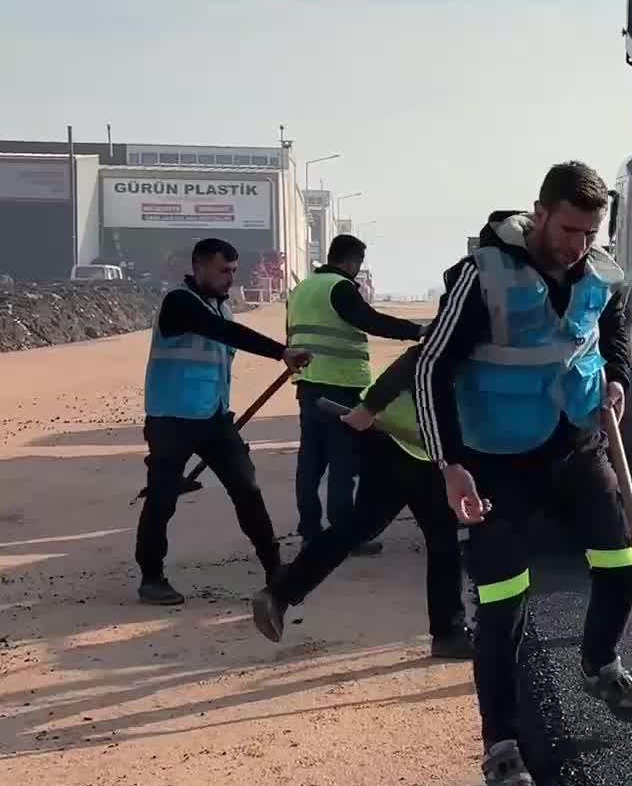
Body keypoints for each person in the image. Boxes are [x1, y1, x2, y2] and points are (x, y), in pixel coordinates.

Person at [415, 161, 632, 786]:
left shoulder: (601, 274)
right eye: (570, 229)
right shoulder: (481, 277)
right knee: (503, 601)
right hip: (495, 459)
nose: (579, 244)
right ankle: (502, 744)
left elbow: (610, 336)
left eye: (589, 232)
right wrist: (450, 463)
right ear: (540, 213)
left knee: (622, 561)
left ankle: (599, 664)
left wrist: (620, 379)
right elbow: (431, 369)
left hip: (574, 445)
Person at [250, 343, 473, 658]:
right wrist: (368, 409)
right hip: (410, 445)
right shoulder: (466, 333)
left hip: (394, 438)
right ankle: (449, 633)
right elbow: (412, 362)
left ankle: (279, 594)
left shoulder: (469, 330)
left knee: (358, 525)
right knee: (442, 538)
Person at [135, 238, 312, 606]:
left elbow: (222, 337)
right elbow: (223, 334)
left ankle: (275, 570)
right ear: (199, 268)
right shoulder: (180, 303)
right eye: (222, 270)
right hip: (172, 419)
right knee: (163, 499)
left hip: (215, 417)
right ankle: (152, 577)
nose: (229, 277)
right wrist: (280, 351)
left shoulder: (223, 309)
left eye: (233, 270)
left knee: (247, 489)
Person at [285, 234, 425, 557]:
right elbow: (369, 321)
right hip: (339, 386)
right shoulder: (340, 287)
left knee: (311, 461)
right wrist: (415, 330)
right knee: (343, 461)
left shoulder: (302, 290)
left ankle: (310, 531)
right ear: (352, 262)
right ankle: (344, 534)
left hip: (308, 384)